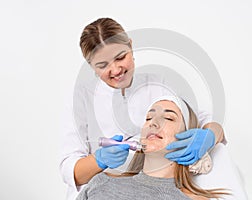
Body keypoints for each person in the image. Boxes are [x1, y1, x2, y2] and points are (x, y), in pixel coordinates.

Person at [59, 17, 225, 200]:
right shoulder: (81, 98)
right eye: (103, 65)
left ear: (130, 45)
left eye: (120, 57)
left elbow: (205, 121)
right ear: (91, 66)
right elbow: (70, 170)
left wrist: (209, 135)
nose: (115, 70)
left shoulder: (157, 84)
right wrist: (99, 161)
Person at [76, 96, 229, 200]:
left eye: (168, 118)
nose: (153, 123)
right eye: (148, 118)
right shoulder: (102, 182)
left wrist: (211, 134)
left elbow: (216, 129)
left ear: (189, 136)